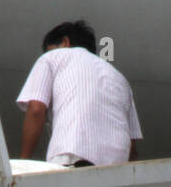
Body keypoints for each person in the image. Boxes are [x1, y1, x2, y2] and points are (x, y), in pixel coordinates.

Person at [16, 20, 141, 166]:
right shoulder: (120, 78)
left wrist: (22, 164)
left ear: (65, 42)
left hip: (73, 159)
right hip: (115, 170)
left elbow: (36, 110)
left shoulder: (52, 58)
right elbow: (132, 147)